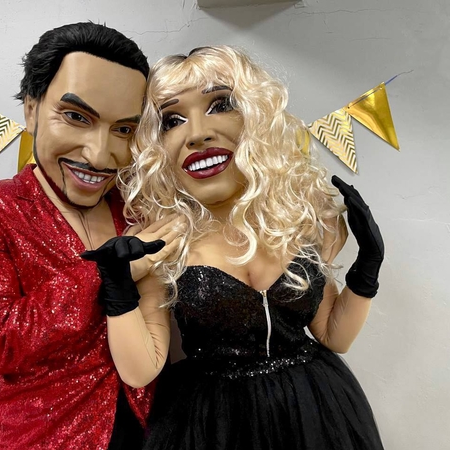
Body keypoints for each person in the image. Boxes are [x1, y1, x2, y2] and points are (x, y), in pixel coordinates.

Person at [115, 45, 386, 449]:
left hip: (314, 410)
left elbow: (334, 336)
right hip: (213, 425)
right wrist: (117, 290)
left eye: (221, 104)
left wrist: (368, 266)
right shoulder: (165, 241)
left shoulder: (291, 222)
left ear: (256, 117)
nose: (197, 133)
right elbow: (141, 371)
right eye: (172, 120)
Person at [0, 22, 180, 450]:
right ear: (31, 109)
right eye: (76, 117)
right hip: (41, 438)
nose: (99, 155)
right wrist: (108, 273)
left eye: (123, 130)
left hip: (149, 432)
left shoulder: (139, 207)